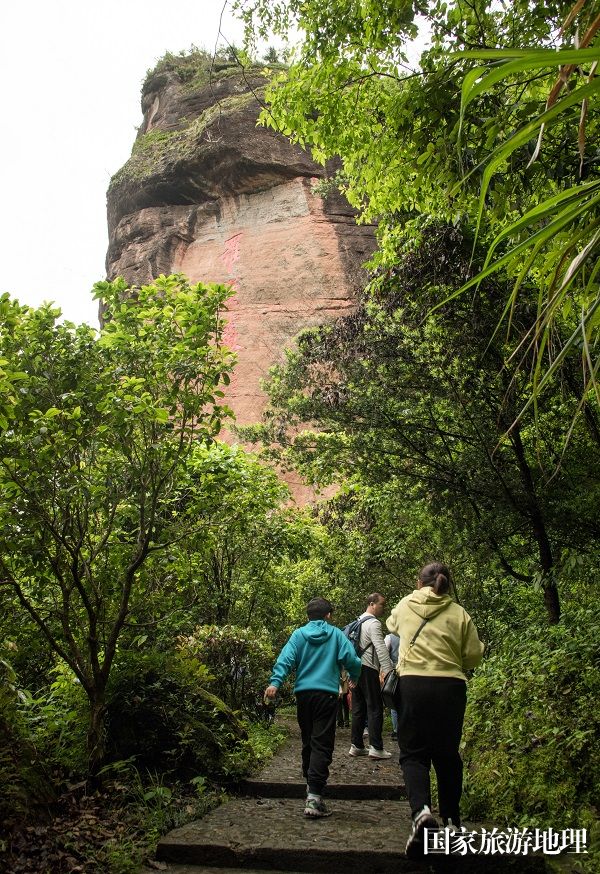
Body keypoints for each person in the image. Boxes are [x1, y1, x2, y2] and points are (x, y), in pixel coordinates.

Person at [386, 562, 484, 858]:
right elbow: (473, 656)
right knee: (447, 754)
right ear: (446, 584)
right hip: (450, 686)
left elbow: (391, 626)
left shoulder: (405, 605)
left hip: (412, 684)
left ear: (419, 583)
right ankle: (453, 822)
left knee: (414, 754)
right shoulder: (459, 613)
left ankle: (422, 814)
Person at [264, 596, 361, 818]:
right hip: (326, 695)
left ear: (308, 616)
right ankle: (315, 797)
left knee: (308, 740)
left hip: (304, 695)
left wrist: (275, 682)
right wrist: (354, 677)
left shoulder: (298, 635)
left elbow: (285, 659)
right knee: (322, 744)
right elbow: (352, 660)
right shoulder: (336, 634)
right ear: (328, 615)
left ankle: (310, 785)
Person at [348, 592, 395, 760]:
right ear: (372, 604)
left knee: (358, 708)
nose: (384, 608)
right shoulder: (373, 623)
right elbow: (381, 648)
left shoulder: (358, 621)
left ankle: (357, 745)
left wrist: (349, 673)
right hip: (368, 669)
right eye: (382, 604)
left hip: (356, 669)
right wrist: (389, 671)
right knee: (375, 707)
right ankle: (376, 746)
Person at [384, 632, 400, 740]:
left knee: (394, 702)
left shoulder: (390, 637)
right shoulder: (411, 634)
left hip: (394, 673)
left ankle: (396, 730)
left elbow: (384, 654)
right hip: (410, 672)